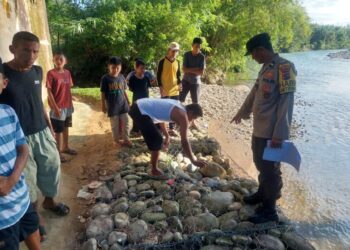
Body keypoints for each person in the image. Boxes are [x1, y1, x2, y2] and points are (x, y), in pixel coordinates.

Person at [0, 31, 69, 242]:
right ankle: (34, 215)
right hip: (17, 137)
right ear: (13, 49)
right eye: (26, 50)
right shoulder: (3, 73)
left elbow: (38, 102)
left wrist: (49, 126)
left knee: (52, 164)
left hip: (40, 129)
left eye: (35, 51)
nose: (31, 55)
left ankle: (49, 200)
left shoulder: (38, 71)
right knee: (27, 178)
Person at [231, 33, 296, 224]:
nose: (252, 57)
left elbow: (286, 102)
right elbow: (255, 92)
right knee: (260, 163)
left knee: (271, 170)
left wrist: (279, 135)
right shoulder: (265, 68)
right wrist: (242, 112)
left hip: (272, 132)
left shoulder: (285, 67)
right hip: (259, 129)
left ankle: (270, 210)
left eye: (252, 53)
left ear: (261, 50)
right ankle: (262, 193)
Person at [0, 59, 41, 250]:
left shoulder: (8, 112)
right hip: (2, 218)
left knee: (32, 229)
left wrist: (11, 180)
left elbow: (23, 148)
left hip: (22, 199)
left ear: (4, 83)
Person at [129, 98, 207, 179]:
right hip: (139, 111)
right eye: (194, 118)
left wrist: (167, 135)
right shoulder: (183, 116)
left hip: (137, 105)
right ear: (191, 112)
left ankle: (153, 161)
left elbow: (161, 117)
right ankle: (154, 170)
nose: (191, 120)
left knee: (156, 136)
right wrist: (193, 161)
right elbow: (184, 141)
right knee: (158, 140)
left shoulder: (178, 105)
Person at [46, 52, 76, 163]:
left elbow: (68, 89)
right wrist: (55, 107)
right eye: (56, 59)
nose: (58, 61)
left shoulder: (67, 73)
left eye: (61, 59)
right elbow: (49, 91)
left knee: (66, 127)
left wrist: (71, 103)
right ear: (53, 61)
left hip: (67, 106)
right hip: (57, 107)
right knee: (57, 131)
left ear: (65, 61)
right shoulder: (51, 74)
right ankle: (57, 153)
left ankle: (65, 147)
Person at [100, 56, 132, 147]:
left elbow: (124, 91)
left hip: (123, 104)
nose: (116, 70)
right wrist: (103, 105)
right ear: (109, 67)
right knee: (115, 125)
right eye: (113, 67)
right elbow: (102, 93)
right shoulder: (105, 78)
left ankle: (126, 139)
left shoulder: (122, 77)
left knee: (126, 122)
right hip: (112, 105)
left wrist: (128, 101)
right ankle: (116, 141)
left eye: (118, 67)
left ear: (121, 67)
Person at [157, 42, 182, 136]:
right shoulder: (162, 61)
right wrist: (161, 88)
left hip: (175, 89)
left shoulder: (178, 62)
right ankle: (162, 128)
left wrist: (180, 84)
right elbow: (158, 76)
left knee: (175, 108)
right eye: (173, 51)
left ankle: (172, 128)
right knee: (164, 108)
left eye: (177, 51)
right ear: (169, 50)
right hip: (165, 89)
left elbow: (178, 75)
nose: (175, 53)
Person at [128, 59, 152, 134]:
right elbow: (131, 89)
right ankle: (135, 129)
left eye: (144, 68)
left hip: (145, 99)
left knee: (145, 114)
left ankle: (144, 129)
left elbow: (147, 89)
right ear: (136, 68)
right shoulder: (132, 78)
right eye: (141, 68)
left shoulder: (146, 78)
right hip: (136, 99)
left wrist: (148, 98)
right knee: (136, 113)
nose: (143, 70)